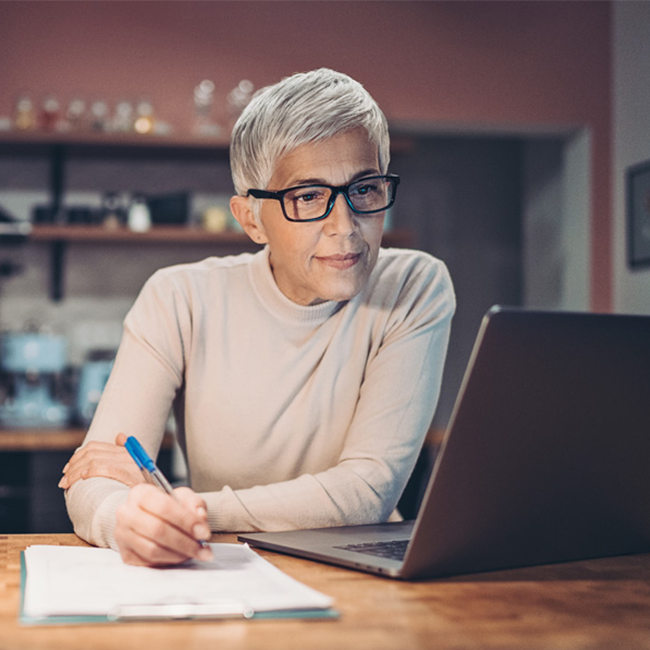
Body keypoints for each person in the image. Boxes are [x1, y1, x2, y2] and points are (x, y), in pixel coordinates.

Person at [59, 68, 455, 567]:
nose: (345, 226)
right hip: (217, 569)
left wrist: (193, 508)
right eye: (308, 196)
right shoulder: (178, 297)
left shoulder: (413, 287)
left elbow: (367, 490)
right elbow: (96, 477)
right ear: (251, 218)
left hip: (362, 573)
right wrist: (127, 520)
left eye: (365, 189)